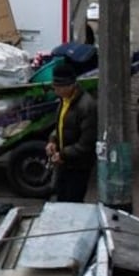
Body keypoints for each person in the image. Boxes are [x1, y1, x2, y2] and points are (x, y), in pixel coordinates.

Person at [45, 63, 97, 202]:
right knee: (62, 200)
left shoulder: (87, 106)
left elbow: (87, 143)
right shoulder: (64, 100)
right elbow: (61, 126)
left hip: (78, 167)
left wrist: (62, 154)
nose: (55, 90)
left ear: (69, 86)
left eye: (57, 88)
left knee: (73, 203)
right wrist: (52, 141)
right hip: (65, 164)